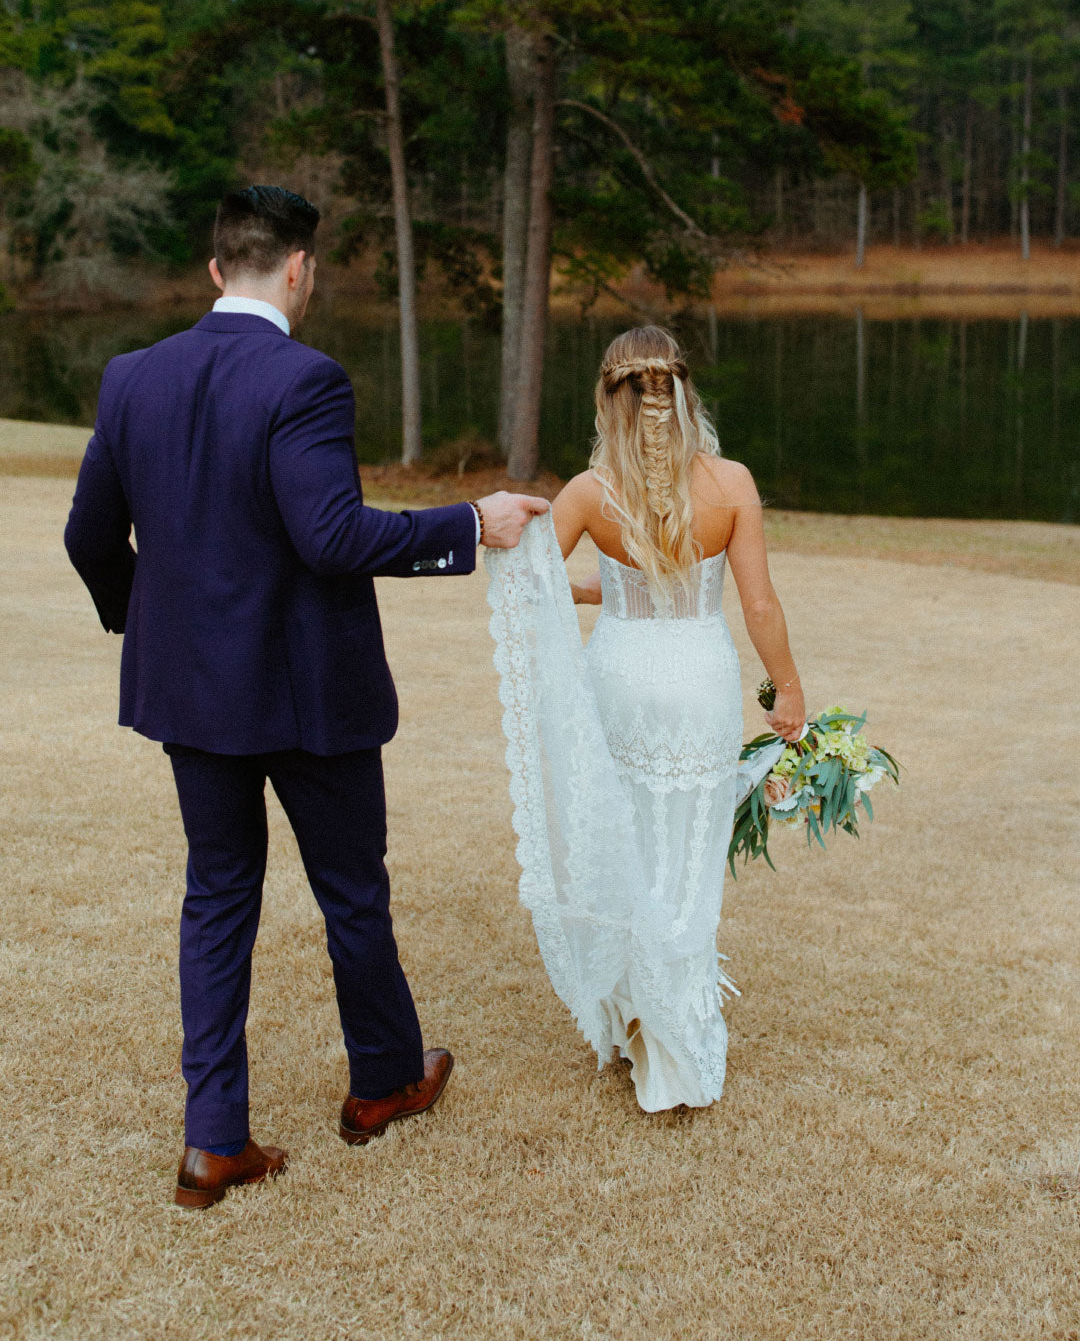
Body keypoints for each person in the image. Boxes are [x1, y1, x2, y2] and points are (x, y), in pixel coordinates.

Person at [64, 184, 547, 1208]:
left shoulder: (131, 377)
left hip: (189, 693)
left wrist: (141, 620)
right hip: (306, 694)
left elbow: (88, 539)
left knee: (217, 896)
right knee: (350, 892)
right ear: (297, 269)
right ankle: (382, 1085)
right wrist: (473, 521)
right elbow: (331, 535)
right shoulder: (306, 379)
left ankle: (212, 1143)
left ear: (213, 270)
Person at [485, 325, 803, 1112]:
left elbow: (530, 586)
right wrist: (788, 689)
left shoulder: (591, 494)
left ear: (610, 399)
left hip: (620, 680)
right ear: (684, 394)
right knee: (687, 856)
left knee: (622, 842)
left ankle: (633, 1015)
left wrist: (600, 589)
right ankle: (673, 1042)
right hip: (697, 679)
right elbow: (758, 603)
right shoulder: (731, 484)